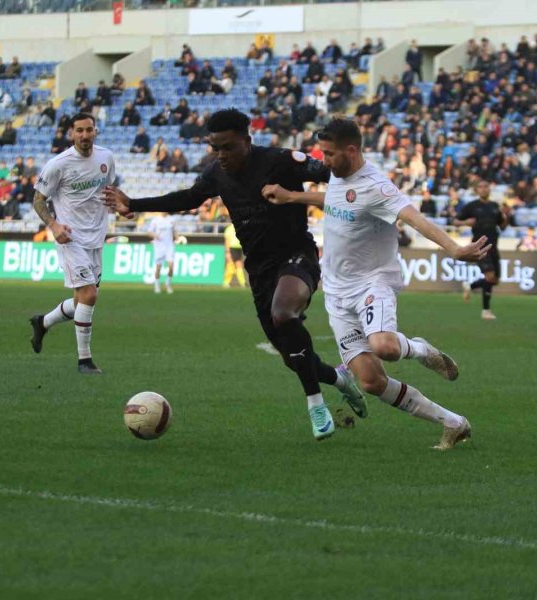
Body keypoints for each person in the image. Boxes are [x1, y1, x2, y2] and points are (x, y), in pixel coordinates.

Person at [104, 108, 366, 441]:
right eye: (216, 147)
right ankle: (340, 380)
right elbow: (186, 198)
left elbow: (335, 173)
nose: (221, 155)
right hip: (258, 269)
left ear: (246, 140)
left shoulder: (281, 161)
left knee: (284, 314)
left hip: (296, 255)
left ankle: (315, 405)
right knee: (292, 356)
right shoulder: (216, 173)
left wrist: (360, 192)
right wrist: (134, 204)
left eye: (228, 147)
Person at [261, 118, 490, 450]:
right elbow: (333, 200)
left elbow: (415, 218)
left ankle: (422, 349)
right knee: (371, 381)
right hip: (337, 293)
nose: (323, 161)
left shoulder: (377, 186)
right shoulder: (339, 176)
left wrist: (455, 248)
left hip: (373, 282)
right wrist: (290, 196)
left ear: (351, 151)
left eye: (329, 154)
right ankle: (454, 423)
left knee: (384, 346)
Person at [29, 113, 117, 375]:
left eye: (89, 130)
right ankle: (84, 360)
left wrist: (122, 204)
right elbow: (38, 200)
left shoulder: (106, 158)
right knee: (90, 295)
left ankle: (42, 322)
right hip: (71, 237)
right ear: (71, 133)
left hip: (96, 236)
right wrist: (54, 226)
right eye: (79, 130)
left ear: (95, 132)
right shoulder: (59, 164)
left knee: (82, 301)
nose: (84, 135)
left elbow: (107, 191)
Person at [453, 180, 507, 320]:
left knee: (494, 280)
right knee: (489, 276)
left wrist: (506, 216)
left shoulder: (495, 206)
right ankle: (486, 311)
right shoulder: (472, 206)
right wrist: (465, 222)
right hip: (480, 246)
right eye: (481, 187)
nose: (484, 189)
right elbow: (455, 221)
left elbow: (503, 226)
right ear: (476, 190)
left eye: (486, 186)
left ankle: (469, 285)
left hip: (494, 246)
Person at [147, 213, 176, 294]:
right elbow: (149, 232)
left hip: (169, 246)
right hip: (159, 246)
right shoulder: (156, 219)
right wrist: (156, 235)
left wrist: (177, 237)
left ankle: (168, 283)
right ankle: (157, 285)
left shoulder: (172, 219)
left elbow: (174, 231)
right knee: (158, 268)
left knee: (171, 266)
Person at [223, 221, 246, 288]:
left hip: (239, 248)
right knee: (235, 265)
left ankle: (227, 282)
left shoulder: (240, 227)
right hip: (232, 248)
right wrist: (227, 251)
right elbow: (227, 240)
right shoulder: (229, 229)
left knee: (235, 265)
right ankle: (242, 283)